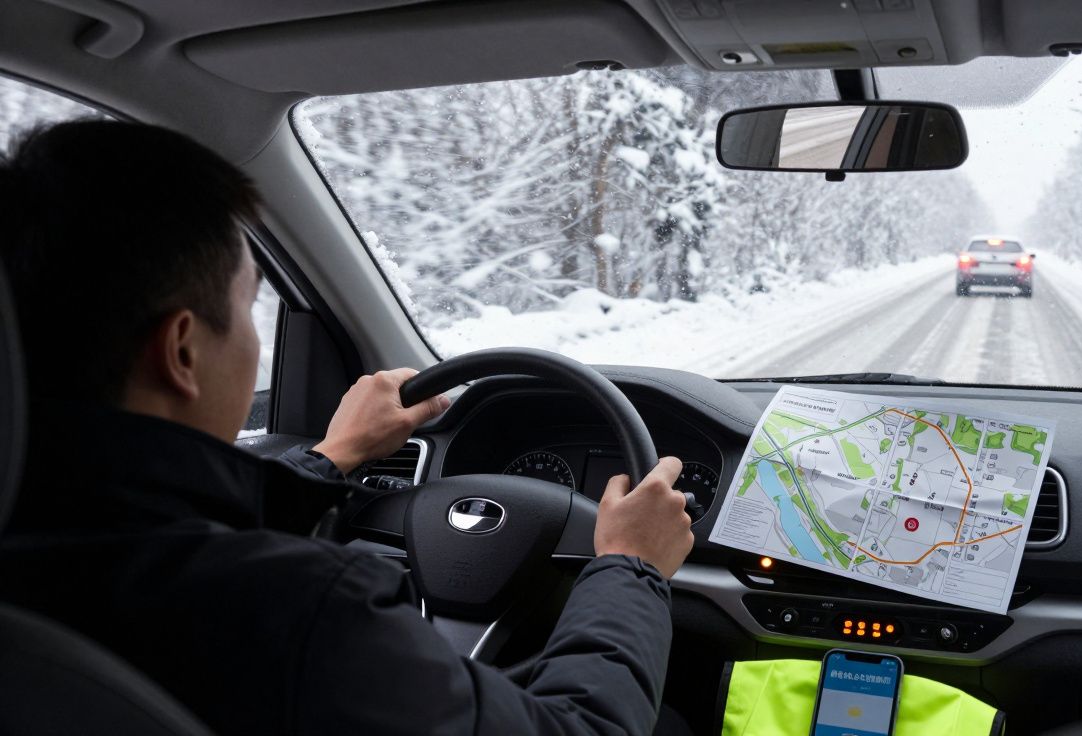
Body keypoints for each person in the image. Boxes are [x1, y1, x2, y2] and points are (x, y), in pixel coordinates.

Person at [0, 120, 695, 735]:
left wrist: (331, 458)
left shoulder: (41, 531)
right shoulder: (295, 613)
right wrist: (630, 566)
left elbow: (142, 515)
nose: (253, 340)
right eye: (247, 309)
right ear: (182, 351)